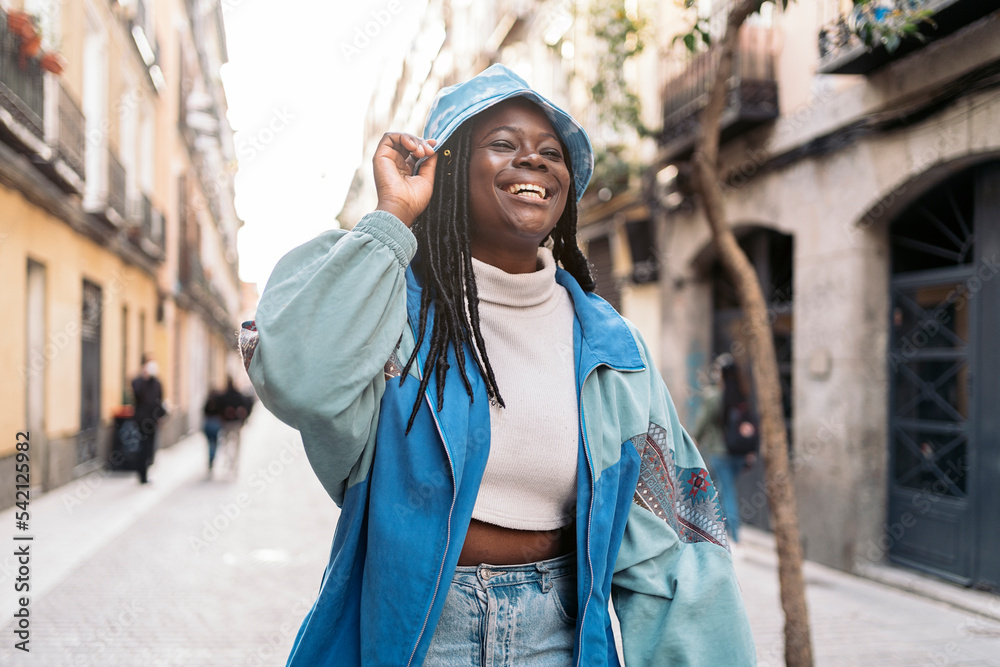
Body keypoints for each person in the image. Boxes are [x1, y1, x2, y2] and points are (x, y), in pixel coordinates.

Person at [241, 64, 755, 666]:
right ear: (448, 171)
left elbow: (672, 551)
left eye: (551, 153)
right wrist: (393, 217)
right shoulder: (390, 313)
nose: (533, 159)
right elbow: (300, 380)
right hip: (414, 638)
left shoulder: (614, 351)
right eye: (503, 144)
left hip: (556, 639)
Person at [692, 356, 758, 543]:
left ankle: (733, 534)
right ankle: (718, 529)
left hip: (721, 453)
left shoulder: (713, 396)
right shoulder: (741, 394)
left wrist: (695, 440)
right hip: (739, 454)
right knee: (721, 489)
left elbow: (703, 421)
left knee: (726, 491)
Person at [131, 357, 164, 484]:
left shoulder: (157, 383)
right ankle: (142, 474)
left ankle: (146, 468)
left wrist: (160, 416)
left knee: (149, 448)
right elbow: (136, 393)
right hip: (141, 420)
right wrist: (144, 378)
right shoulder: (138, 382)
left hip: (152, 421)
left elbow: (159, 401)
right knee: (142, 447)